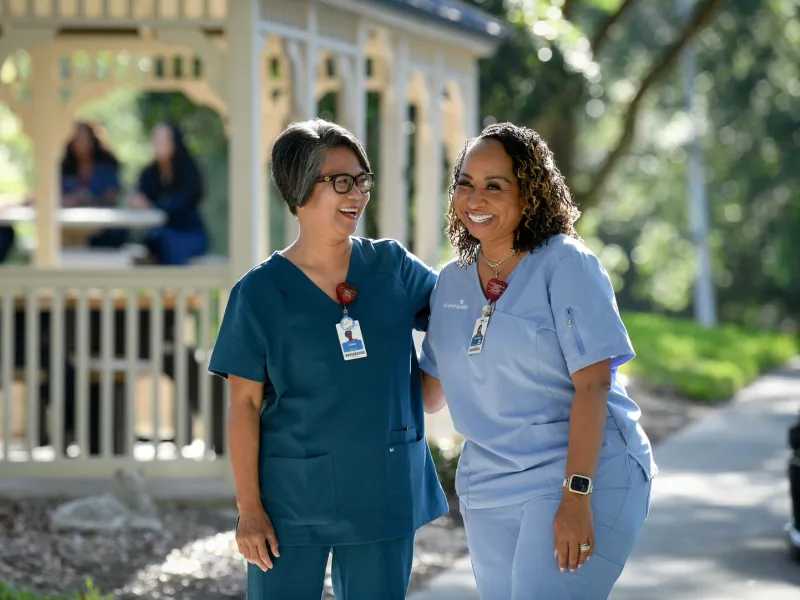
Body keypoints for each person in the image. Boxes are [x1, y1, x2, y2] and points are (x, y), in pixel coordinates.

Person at [208, 119, 448, 600]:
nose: (356, 193)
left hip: (384, 485)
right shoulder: (258, 293)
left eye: (362, 180)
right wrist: (249, 509)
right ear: (300, 190)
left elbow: (457, 313)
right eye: (341, 181)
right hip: (290, 500)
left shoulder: (392, 267)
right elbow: (243, 407)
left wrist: (431, 382)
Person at [419, 122, 657, 600]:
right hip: (489, 487)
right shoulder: (451, 281)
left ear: (529, 194)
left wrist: (576, 495)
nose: (474, 199)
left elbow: (594, 387)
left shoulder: (565, 263)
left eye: (494, 186)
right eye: (465, 183)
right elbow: (429, 394)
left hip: (582, 474)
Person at [130, 122, 208, 265]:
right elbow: (141, 198)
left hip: (188, 234)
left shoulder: (188, 172)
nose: (157, 144)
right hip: (159, 236)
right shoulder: (149, 174)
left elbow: (180, 206)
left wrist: (153, 205)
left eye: (162, 140)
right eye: (155, 140)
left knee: (169, 247)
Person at [60, 121, 128, 248]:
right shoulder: (65, 169)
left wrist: (91, 200)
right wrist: (71, 200)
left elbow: (113, 194)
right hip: (69, 227)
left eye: (84, 139)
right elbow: (54, 196)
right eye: (77, 139)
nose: (81, 143)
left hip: (101, 228)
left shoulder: (106, 167)